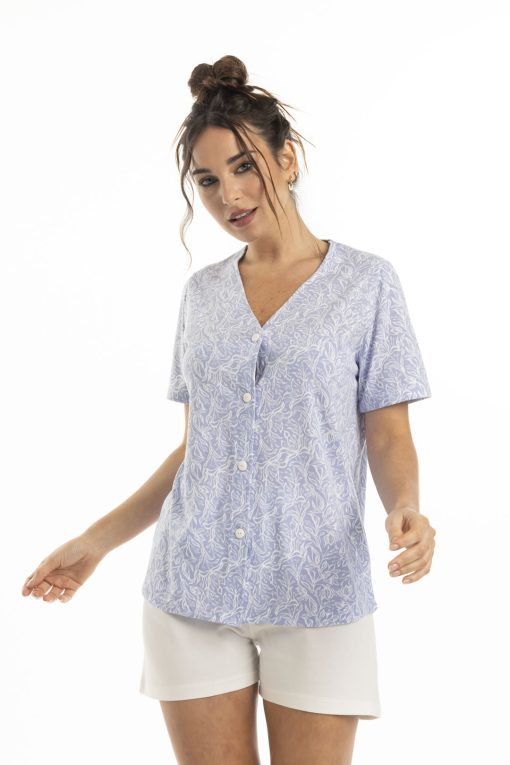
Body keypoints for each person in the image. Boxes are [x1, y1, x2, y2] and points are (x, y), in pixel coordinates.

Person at [21, 55, 437, 765]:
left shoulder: (367, 284)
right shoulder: (202, 296)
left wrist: (407, 506)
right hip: (192, 587)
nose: (228, 195)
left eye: (244, 166)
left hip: (317, 588)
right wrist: (95, 541)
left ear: (288, 158)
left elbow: (387, 431)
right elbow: (198, 450)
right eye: (208, 179)